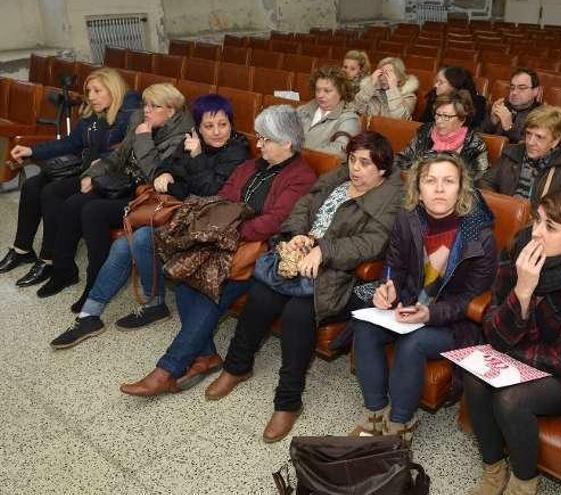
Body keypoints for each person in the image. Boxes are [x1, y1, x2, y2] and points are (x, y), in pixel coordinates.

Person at [203, 131, 404, 444]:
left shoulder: (390, 198)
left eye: (365, 163)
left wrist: (324, 249)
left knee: (299, 313)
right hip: (298, 258)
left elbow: (372, 243)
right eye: (353, 159)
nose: (356, 168)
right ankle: (236, 367)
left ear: (382, 168)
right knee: (260, 295)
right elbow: (305, 203)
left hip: (338, 276)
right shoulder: (337, 177)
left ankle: (287, 401)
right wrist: (296, 234)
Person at [118, 105, 317, 398]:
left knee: (212, 293)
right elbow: (221, 200)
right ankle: (207, 355)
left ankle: (167, 370)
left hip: (256, 254)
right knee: (186, 282)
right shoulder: (250, 166)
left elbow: (274, 222)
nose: (258, 143)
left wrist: (229, 232)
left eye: (265, 139)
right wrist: (223, 230)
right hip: (224, 242)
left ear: (286, 142)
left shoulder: (301, 177)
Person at [48, 94, 251, 349]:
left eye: (223, 124)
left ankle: (154, 303)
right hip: (181, 213)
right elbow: (165, 168)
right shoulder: (189, 141)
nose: (217, 132)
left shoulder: (237, 151)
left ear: (231, 124)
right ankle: (90, 314)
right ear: (197, 127)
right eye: (209, 126)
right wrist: (167, 173)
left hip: (207, 223)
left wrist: (195, 158)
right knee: (124, 244)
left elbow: (213, 191)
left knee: (143, 236)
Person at [465, 189, 561, 495]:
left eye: (550, 227)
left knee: (511, 399)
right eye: (537, 219)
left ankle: (524, 483)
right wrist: (522, 294)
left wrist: (511, 350)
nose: (535, 232)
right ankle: (493, 468)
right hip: (525, 351)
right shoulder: (520, 249)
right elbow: (494, 330)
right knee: (474, 378)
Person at [351, 153, 498, 444]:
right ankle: (376, 413)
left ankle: (400, 424)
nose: (439, 189)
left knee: (413, 343)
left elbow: (471, 299)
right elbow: (393, 265)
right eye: (430, 181)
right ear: (418, 190)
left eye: (448, 181)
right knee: (364, 326)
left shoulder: (479, 235)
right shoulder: (407, 219)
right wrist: (387, 288)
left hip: (452, 322)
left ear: (461, 189)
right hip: (407, 306)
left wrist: (430, 314)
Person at [36, 83, 193, 308]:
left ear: (172, 110)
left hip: (146, 196)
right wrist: (92, 173)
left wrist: (143, 138)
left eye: (154, 106)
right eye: (145, 104)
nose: (146, 110)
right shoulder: (142, 120)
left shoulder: (181, 137)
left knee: (93, 211)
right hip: (124, 182)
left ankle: (95, 284)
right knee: (73, 203)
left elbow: (154, 175)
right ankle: (63, 270)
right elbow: (119, 155)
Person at [0, 68, 140, 287]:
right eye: (88, 91)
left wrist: (99, 165)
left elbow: (123, 152)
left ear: (113, 90)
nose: (91, 96)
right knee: (32, 185)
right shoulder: (92, 115)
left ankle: (49, 259)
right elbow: (69, 143)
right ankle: (22, 249)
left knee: (51, 192)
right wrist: (31, 151)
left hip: (106, 177)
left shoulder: (127, 116)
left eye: (97, 90)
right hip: (83, 169)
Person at [478, 105, 561, 205]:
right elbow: (485, 182)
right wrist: (504, 206)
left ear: (555, 140)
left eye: (539, 137)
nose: (530, 142)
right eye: (528, 134)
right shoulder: (512, 152)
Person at [395, 91, 489, 179]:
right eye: (438, 115)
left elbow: (477, 180)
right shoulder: (425, 132)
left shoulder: (475, 145)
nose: (439, 121)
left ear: (462, 120)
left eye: (446, 116)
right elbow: (402, 160)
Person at [296, 66, 361, 158]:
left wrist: (299, 155)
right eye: (318, 90)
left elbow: (341, 150)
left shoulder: (349, 119)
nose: (320, 95)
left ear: (341, 92)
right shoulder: (302, 110)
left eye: (327, 91)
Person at [480, 68, 543, 144]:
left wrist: (509, 128)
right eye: (512, 87)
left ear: (535, 91)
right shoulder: (500, 106)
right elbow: (479, 137)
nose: (514, 92)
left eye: (521, 88)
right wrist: (492, 123)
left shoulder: (542, 115)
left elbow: (530, 147)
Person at [352, 56, 419, 120]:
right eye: (381, 73)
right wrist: (370, 85)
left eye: (387, 74)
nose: (382, 78)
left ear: (399, 77)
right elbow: (356, 109)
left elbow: (399, 119)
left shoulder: (409, 96)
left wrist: (393, 88)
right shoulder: (372, 92)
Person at [421, 65, 488, 129]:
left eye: (441, 82)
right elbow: (424, 125)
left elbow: (472, 132)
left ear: (454, 85)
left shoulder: (477, 104)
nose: (435, 85)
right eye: (436, 81)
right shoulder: (434, 97)